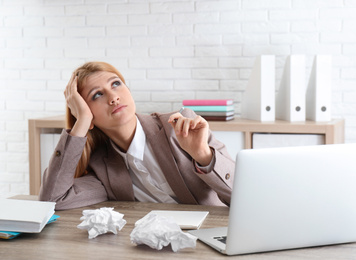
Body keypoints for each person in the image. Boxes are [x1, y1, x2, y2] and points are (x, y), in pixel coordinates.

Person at [38, 61, 235, 210]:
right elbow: (53, 200)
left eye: (116, 84)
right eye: (97, 95)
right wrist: (81, 122)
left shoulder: (181, 126)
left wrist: (203, 155)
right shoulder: (102, 167)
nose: (113, 97)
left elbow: (243, 196)